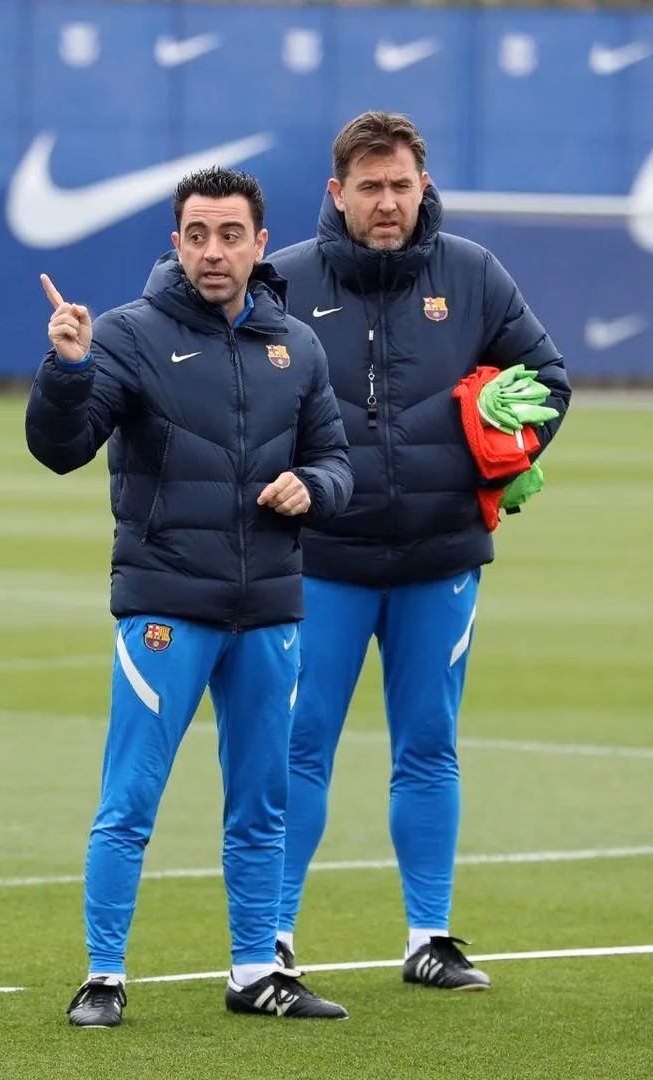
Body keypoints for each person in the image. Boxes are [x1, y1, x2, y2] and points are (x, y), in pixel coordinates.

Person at [28, 165, 355, 1030]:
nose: (214, 252)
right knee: (130, 802)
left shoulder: (298, 346)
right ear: (176, 243)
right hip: (166, 606)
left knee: (262, 803)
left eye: (230, 236)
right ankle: (104, 975)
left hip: (268, 609)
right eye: (198, 236)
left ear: (259, 243)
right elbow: (61, 448)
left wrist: (315, 488)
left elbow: (336, 461)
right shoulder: (128, 334)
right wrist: (67, 369)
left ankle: (256, 970)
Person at [265, 111, 568, 988]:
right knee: (299, 747)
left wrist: (502, 452)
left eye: (401, 185)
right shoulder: (285, 280)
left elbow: (548, 380)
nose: (388, 202)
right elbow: (239, 392)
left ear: (422, 185)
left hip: (441, 558)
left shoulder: (471, 273)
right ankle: (270, 937)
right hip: (321, 559)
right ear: (338, 193)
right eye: (370, 187)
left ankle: (429, 937)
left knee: (429, 746)